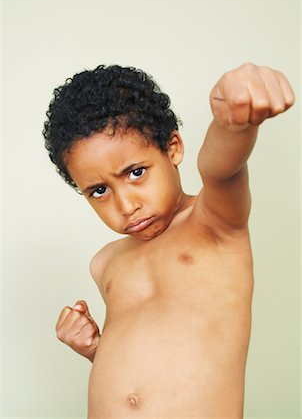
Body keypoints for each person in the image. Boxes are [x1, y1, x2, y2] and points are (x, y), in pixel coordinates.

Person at [43, 62, 295, 418]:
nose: (126, 205)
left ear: (173, 148)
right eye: (99, 190)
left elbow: (221, 168)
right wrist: (95, 350)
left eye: (136, 172)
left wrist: (232, 123)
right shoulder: (105, 263)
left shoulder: (216, 222)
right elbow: (153, 362)